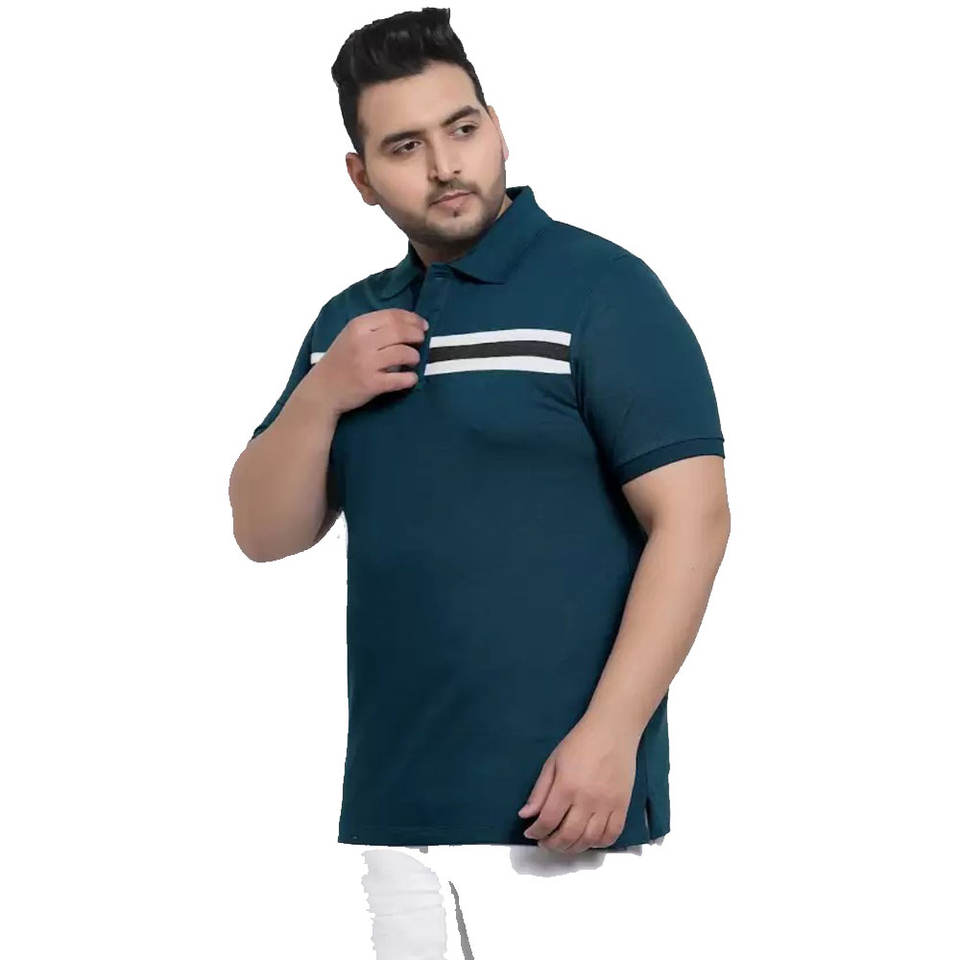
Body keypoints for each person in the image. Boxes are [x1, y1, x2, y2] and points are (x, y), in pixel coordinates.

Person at [229, 7, 730, 956]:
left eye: (461, 128)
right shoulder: (349, 324)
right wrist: (323, 393)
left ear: (497, 128)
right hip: (398, 812)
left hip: (565, 812)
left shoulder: (603, 288)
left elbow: (695, 519)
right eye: (405, 146)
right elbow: (265, 530)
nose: (444, 165)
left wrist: (612, 734)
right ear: (361, 177)